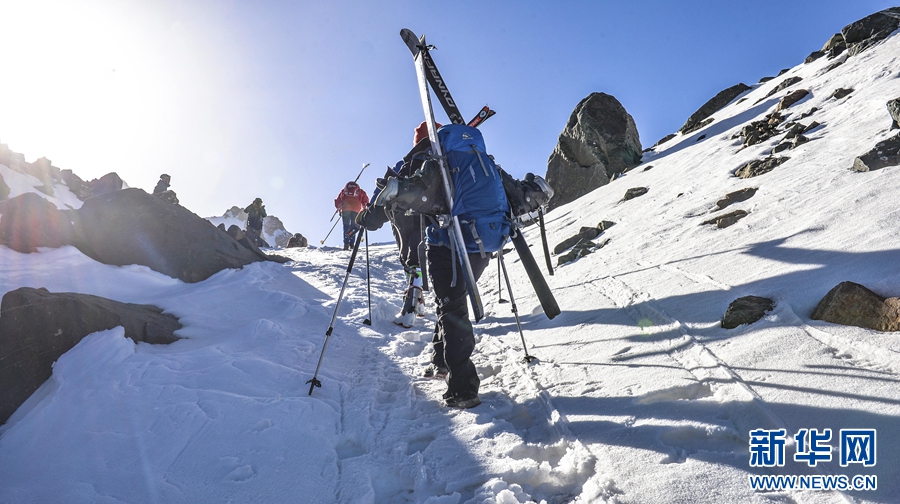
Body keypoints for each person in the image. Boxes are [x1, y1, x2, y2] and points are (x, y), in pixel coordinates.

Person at [359, 121, 506, 409]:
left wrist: (367, 216)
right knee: (449, 303)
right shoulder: (476, 160)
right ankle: (440, 362)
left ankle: (463, 388)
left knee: (452, 308)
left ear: (419, 140)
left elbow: (381, 213)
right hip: (480, 244)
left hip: (442, 246)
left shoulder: (422, 162)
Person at [333, 181, 369, 251]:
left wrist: (339, 208)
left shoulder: (344, 191)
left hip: (345, 210)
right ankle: (352, 244)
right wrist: (365, 209)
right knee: (354, 227)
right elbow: (366, 201)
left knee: (346, 226)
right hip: (356, 211)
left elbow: (338, 200)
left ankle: (346, 244)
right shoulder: (361, 191)